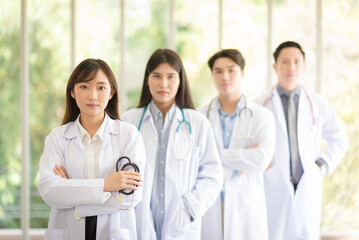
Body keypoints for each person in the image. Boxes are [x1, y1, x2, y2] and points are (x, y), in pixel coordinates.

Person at [38, 58, 146, 240]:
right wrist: (107, 185)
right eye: (84, 87)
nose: (93, 96)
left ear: (112, 92)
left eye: (101, 88)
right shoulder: (57, 138)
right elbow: (49, 191)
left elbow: (130, 198)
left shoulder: (129, 135)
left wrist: (75, 199)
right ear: (72, 91)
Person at [121, 49, 223, 240]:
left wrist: (189, 206)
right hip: (138, 222)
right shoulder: (128, 121)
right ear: (147, 79)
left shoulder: (197, 122)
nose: (163, 84)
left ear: (180, 80)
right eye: (156, 76)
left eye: (171, 76)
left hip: (182, 225)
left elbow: (213, 175)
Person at [255, 41, 349, 239]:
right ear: (275, 66)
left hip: (308, 184)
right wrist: (267, 168)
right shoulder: (260, 105)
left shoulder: (317, 103)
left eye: (297, 62)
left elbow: (339, 140)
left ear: (304, 66)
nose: (291, 67)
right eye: (285, 62)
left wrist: (321, 165)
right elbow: (249, 145)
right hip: (274, 185)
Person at [199, 49, 275, 240]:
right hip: (209, 204)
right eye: (218, 71)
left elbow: (260, 160)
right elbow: (196, 162)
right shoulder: (199, 116)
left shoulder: (261, 116)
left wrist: (215, 154)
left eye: (231, 70)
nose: (225, 76)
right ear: (212, 75)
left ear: (242, 73)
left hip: (246, 204)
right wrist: (241, 159)